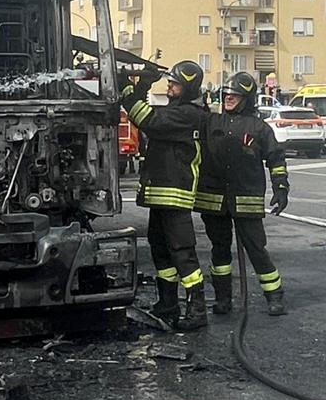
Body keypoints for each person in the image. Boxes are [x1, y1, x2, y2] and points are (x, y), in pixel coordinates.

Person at [121, 60, 211, 330]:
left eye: (174, 83)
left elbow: (146, 119)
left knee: (183, 253)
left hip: (175, 195)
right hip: (160, 194)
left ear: (187, 87)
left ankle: (197, 309)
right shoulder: (177, 111)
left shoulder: (188, 114)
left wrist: (133, 86)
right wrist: (140, 85)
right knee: (160, 251)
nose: (169, 85)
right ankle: (168, 303)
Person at [196, 71, 291, 318]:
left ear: (246, 98)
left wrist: (281, 187)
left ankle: (274, 296)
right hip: (214, 198)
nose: (229, 98)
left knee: (256, 248)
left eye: (235, 95)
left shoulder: (259, 128)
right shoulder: (210, 122)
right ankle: (223, 299)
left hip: (245, 196)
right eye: (226, 93)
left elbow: (276, 159)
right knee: (219, 250)